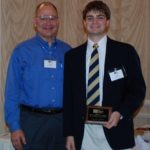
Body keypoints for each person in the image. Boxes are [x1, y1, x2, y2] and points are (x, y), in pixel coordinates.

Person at [63, 1, 146, 150]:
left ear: (107, 22)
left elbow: (137, 90)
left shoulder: (125, 52)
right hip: (84, 134)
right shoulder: (72, 57)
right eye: (90, 17)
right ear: (84, 22)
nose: (94, 22)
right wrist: (69, 133)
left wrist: (120, 113)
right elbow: (68, 98)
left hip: (116, 129)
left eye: (100, 17)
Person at [4, 1, 71, 150]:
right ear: (35, 22)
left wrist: (72, 129)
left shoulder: (68, 52)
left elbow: (74, 93)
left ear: (58, 22)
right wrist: (15, 127)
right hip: (31, 124)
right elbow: (12, 92)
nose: (48, 22)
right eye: (43, 18)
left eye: (52, 18)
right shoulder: (21, 51)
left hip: (61, 123)